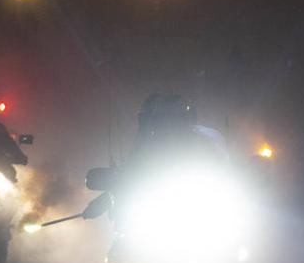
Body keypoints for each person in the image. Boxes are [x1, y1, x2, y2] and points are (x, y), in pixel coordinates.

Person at [83, 93, 226, 221]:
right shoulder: (143, 148)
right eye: (160, 122)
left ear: (187, 120)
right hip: (150, 224)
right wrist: (101, 203)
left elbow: (227, 176)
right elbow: (128, 178)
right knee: (121, 246)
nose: (167, 128)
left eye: (174, 121)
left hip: (201, 215)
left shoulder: (208, 142)